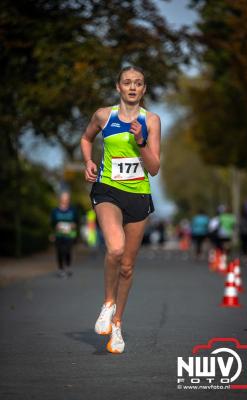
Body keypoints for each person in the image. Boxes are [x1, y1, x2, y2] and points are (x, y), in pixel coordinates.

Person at [80, 66, 161, 354]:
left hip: (138, 196)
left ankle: (117, 324)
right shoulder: (104, 115)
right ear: (118, 87)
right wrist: (88, 161)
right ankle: (107, 303)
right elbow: (86, 138)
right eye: (127, 82)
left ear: (144, 89)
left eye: (138, 83)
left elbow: (153, 168)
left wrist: (140, 141)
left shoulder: (151, 120)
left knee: (127, 266)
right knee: (114, 249)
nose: (132, 87)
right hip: (108, 190)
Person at [51, 192, 78, 278]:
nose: (65, 201)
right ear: (60, 199)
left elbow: (77, 222)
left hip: (69, 235)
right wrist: (55, 229)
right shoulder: (55, 211)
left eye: (67, 199)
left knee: (67, 251)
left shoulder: (72, 210)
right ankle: (60, 269)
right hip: (58, 235)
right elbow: (52, 223)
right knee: (59, 251)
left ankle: (67, 266)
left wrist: (73, 225)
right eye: (64, 199)